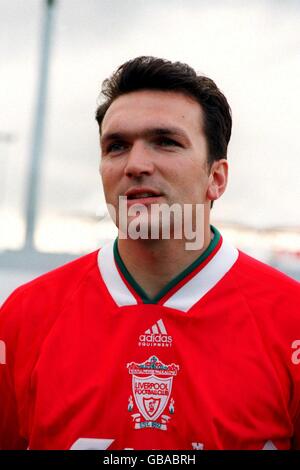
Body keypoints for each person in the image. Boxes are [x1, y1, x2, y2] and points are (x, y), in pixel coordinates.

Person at [0, 56, 299, 450]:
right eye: (116, 146)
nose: (136, 164)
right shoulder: (25, 315)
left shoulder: (290, 318)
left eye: (166, 142)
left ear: (217, 177)